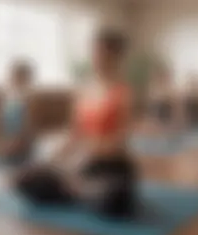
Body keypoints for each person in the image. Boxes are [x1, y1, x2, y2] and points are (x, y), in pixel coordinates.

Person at [14, 27, 137, 219]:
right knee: (24, 180)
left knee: (117, 200)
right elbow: (74, 134)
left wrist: (83, 156)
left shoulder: (123, 94)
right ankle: (78, 189)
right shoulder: (83, 91)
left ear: (117, 56)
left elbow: (118, 143)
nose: (97, 59)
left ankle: (78, 189)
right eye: (95, 53)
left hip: (110, 165)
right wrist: (50, 161)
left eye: (103, 53)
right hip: (82, 166)